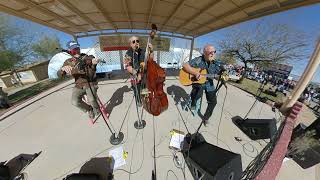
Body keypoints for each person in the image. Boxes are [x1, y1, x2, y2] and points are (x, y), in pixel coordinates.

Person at [57, 41, 100, 119]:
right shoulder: (68, 62)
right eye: (74, 49)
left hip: (90, 83)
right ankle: (89, 109)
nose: (77, 51)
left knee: (92, 99)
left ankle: (97, 109)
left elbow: (92, 60)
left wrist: (94, 62)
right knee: (74, 102)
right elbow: (59, 74)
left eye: (77, 48)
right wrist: (62, 69)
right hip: (79, 85)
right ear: (70, 51)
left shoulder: (87, 57)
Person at [182, 44, 223, 125]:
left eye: (214, 52)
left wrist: (221, 77)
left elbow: (217, 76)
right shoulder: (198, 60)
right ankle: (193, 104)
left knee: (213, 102)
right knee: (196, 96)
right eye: (210, 52)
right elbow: (185, 65)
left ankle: (206, 118)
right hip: (198, 83)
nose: (213, 54)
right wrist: (195, 73)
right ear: (204, 53)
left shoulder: (216, 63)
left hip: (209, 85)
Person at [123, 36, 153, 106]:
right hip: (134, 74)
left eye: (137, 41)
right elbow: (128, 66)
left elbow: (151, 59)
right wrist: (136, 73)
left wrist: (151, 51)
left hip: (144, 74)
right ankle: (138, 100)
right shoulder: (128, 53)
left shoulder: (143, 51)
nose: (136, 43)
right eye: (133, 42)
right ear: (130, 44)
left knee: (145, 88)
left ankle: (145, 100)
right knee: (136, 89)